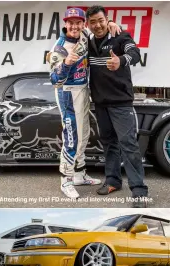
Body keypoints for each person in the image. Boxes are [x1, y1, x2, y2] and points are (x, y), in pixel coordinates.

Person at [49, 8, 120, 199]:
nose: (74, 26)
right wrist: (66, 64)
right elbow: (54, 80)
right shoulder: (59, 48)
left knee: (85, 134)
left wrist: (111, 22)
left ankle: (79, 174)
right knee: (72, 137)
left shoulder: (85, 35)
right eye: (71, 23)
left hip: (83, 90)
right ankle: (66, 180)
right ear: (65, 24)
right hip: (67, 93)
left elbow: (101, 28)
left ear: (83, 24)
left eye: (78, 22)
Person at [85, 5, 148, 207]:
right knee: (109, 144)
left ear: (107, 20)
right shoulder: (88, 42)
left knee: (128, 145)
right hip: (100, 103)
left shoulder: (120, 36)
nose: (97, 25)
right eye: (93, 22)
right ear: (88, 24)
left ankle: (139, 191)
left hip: (121, 103)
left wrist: (121, 60)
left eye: (101, 20)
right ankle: (113, 181)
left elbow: (135, 53)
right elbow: (66, 41)